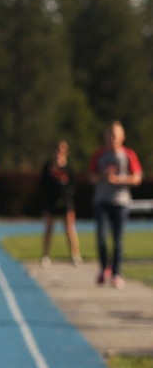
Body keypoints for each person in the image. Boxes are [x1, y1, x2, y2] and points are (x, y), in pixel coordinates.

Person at [88, 121, 144, 288]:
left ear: (122, 136)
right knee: (101, 237)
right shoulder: (99, 155)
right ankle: (104, 267)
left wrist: (118, 180)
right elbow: (91, 176)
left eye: (115, 135)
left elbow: (137, 178)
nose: (112, 138)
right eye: (109, 134)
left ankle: (116, 274)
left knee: (118, 240)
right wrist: (103, 178)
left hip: (120, 202)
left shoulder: (128, 154)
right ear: (106, 136)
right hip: (101, 201)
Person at [39, 140, 81, 267]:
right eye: (57, 150)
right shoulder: (48, 167)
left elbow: (73, 185)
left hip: (66, 202)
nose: (59, 153)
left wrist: (66, 196)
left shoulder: (69, 168)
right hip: (51, 201)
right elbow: (43, 184)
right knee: (48, 229)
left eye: (62, 150)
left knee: (69, 228)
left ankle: (75, 255)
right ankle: (45, 255)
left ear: (66, 152)